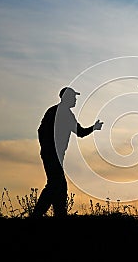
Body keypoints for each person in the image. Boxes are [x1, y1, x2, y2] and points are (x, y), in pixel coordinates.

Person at [32, 87, 103, 218]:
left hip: (53, 155)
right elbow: (42, 131)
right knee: (55, 184)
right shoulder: (61, 113)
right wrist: (50, 149)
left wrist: (94, 127)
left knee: (59, 185)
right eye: (74, 97)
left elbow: (79, 132)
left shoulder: (60, 112)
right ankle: (37, 215)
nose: (75, 100)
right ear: (67, 98)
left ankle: (59, 215)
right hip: (52, 155)